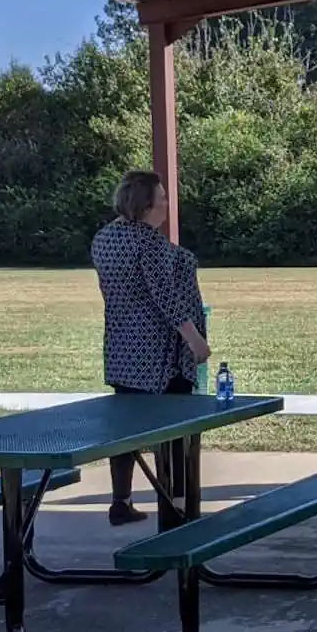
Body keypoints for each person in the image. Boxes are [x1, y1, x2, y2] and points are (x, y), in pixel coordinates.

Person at [90, 170, 211, 526]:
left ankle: (121, 500)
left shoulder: (103, 239)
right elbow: (166, 298)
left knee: (125, 430)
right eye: (162, 199)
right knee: (172, 432)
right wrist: (194, 339)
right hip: (159, 356)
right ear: (145, 205)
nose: (166, 205)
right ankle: (175, 507)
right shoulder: (150, 244)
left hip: (121, 349)